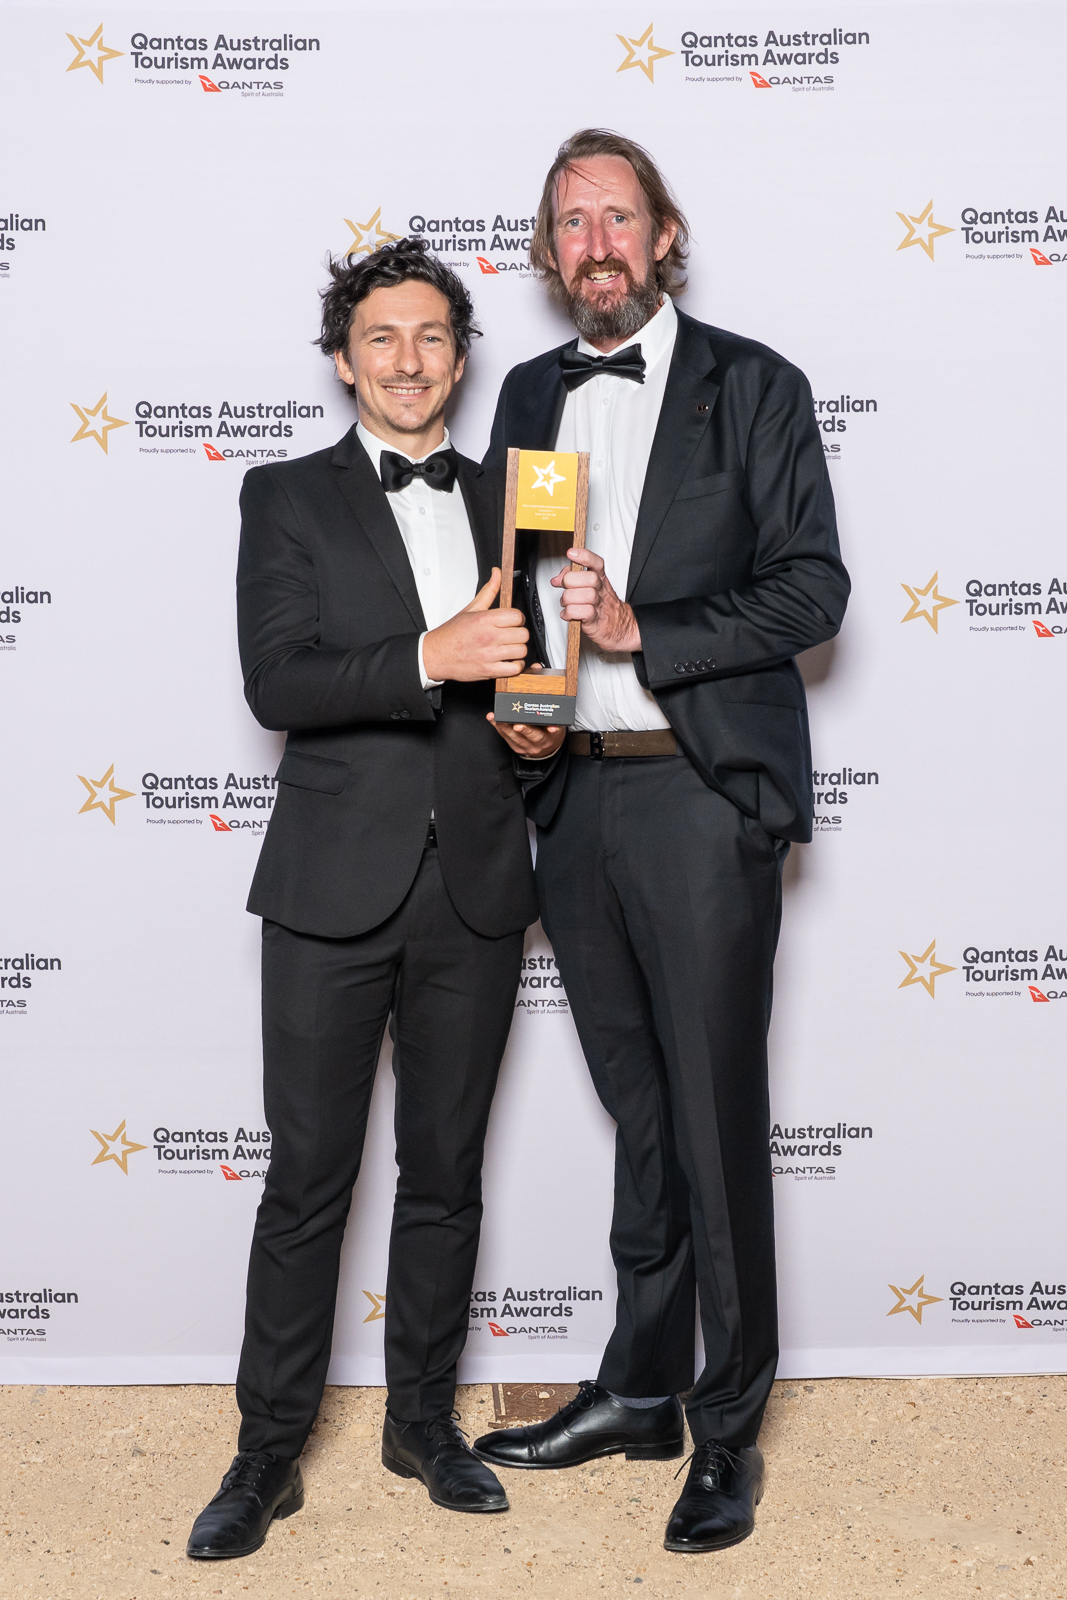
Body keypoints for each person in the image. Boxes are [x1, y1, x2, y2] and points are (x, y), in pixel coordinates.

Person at [474, 130, 850, 1554]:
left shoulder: (755, 386)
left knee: (712, 1120)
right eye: (570, 223)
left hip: (698, 794)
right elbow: (515, 590)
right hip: (573, 799)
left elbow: (812, 588)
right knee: (640, 1113)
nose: (597, 244)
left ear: (665, 235)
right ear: (549, 252)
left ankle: (728, 1425)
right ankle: (639, 1388)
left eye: (617, 217)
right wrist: (521, 710)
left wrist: (650, 630)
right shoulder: (527, 394)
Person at [186, 238, 539, 1561]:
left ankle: (422, 1423)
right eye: (381, 337)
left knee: (445, 1176)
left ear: (460, 355)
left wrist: (540, 728)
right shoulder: (285, 495)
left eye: (432, 336)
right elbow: (278, 681)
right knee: (306, 1182)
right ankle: (266, 1452)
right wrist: (428, 656)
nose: (408, 360)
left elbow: (539, 684)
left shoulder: (519, 496)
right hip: (330, 887)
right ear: (344, 361)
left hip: (479, 886)